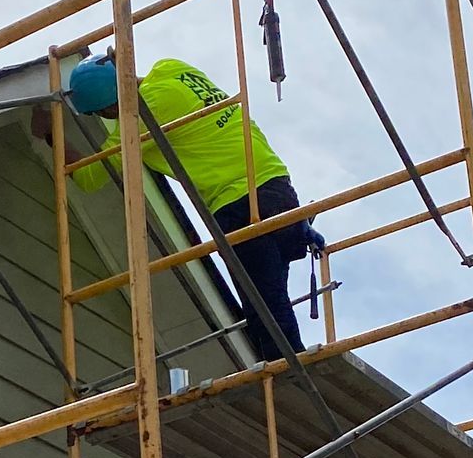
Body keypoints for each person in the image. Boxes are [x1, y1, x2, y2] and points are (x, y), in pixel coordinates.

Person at [63, 51, 325, 353]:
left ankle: (285, 370)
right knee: (273, 296)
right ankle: (287, 365)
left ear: (111, 104)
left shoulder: (144, 113)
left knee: (262, 306)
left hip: (237, 201)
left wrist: (50, 134)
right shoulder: (173, 68)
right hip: (279, 187)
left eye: (101, 113)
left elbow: (89, 177)